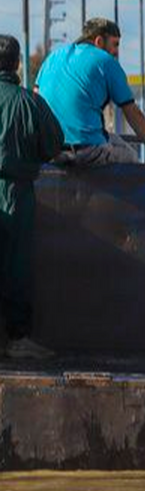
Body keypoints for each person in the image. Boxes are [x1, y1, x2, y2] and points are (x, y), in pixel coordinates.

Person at [35, 18, 145, 175]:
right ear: (99, 41)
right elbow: (133, 113)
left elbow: (36, 99)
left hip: (50, 150)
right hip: (87, 150)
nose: (117, 52)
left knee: (113, 140)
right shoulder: (106, 62)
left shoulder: (52, 58)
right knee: (130, 158)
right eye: (115, 44)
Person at [0, 35, 63, 359]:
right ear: (18, 65)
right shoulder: (29, 102)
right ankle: (16, 338)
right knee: (16, 266)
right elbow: (54, 144)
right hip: (16, 191)